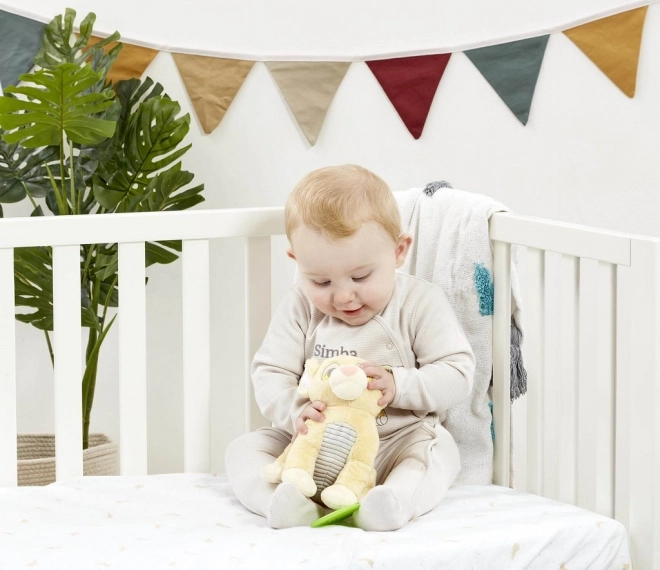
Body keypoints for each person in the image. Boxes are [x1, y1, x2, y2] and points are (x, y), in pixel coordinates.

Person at [225, 164, 475, 530]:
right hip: (312, 445)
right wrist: (296, 412)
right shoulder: (300, 306)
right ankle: (284, 504)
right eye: (321, 281)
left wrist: (398, 384)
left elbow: (457, 373)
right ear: (297, 261)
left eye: (361, 276)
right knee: (243, 450)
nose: (343, 296)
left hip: (395, 442)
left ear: (398, 251)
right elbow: (270, 370)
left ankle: (389, 503)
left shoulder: (420, 302)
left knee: (438, 453)